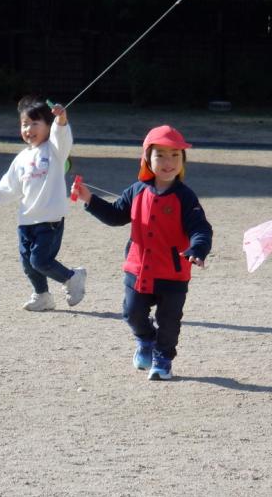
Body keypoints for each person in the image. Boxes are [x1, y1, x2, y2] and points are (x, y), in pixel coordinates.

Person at [71, 125, 212, 380]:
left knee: (169, 322)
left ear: (183, 160)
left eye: (175, 155)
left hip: (173, 273)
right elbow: (116, 215)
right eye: (160, 155)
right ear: (147, 158)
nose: (168, 162)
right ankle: (146, 340)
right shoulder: (137, 190)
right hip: (138, 270)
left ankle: (163, 359)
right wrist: (89, 199)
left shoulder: (186, 197)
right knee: (132, 312)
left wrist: (198, 248)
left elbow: (200, 228)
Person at [0, 95, 86, 312]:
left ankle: (72, 277)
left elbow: (62, 136)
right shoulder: (22, 158)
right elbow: (9, 187)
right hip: (26, 220)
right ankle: (42, 296)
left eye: (35, 123)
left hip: (49, 220)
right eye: (25, 124)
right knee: (28, 264)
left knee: (40, 261)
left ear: (48, 126)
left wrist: (61, 120)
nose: (29, 129)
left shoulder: (55, 150)